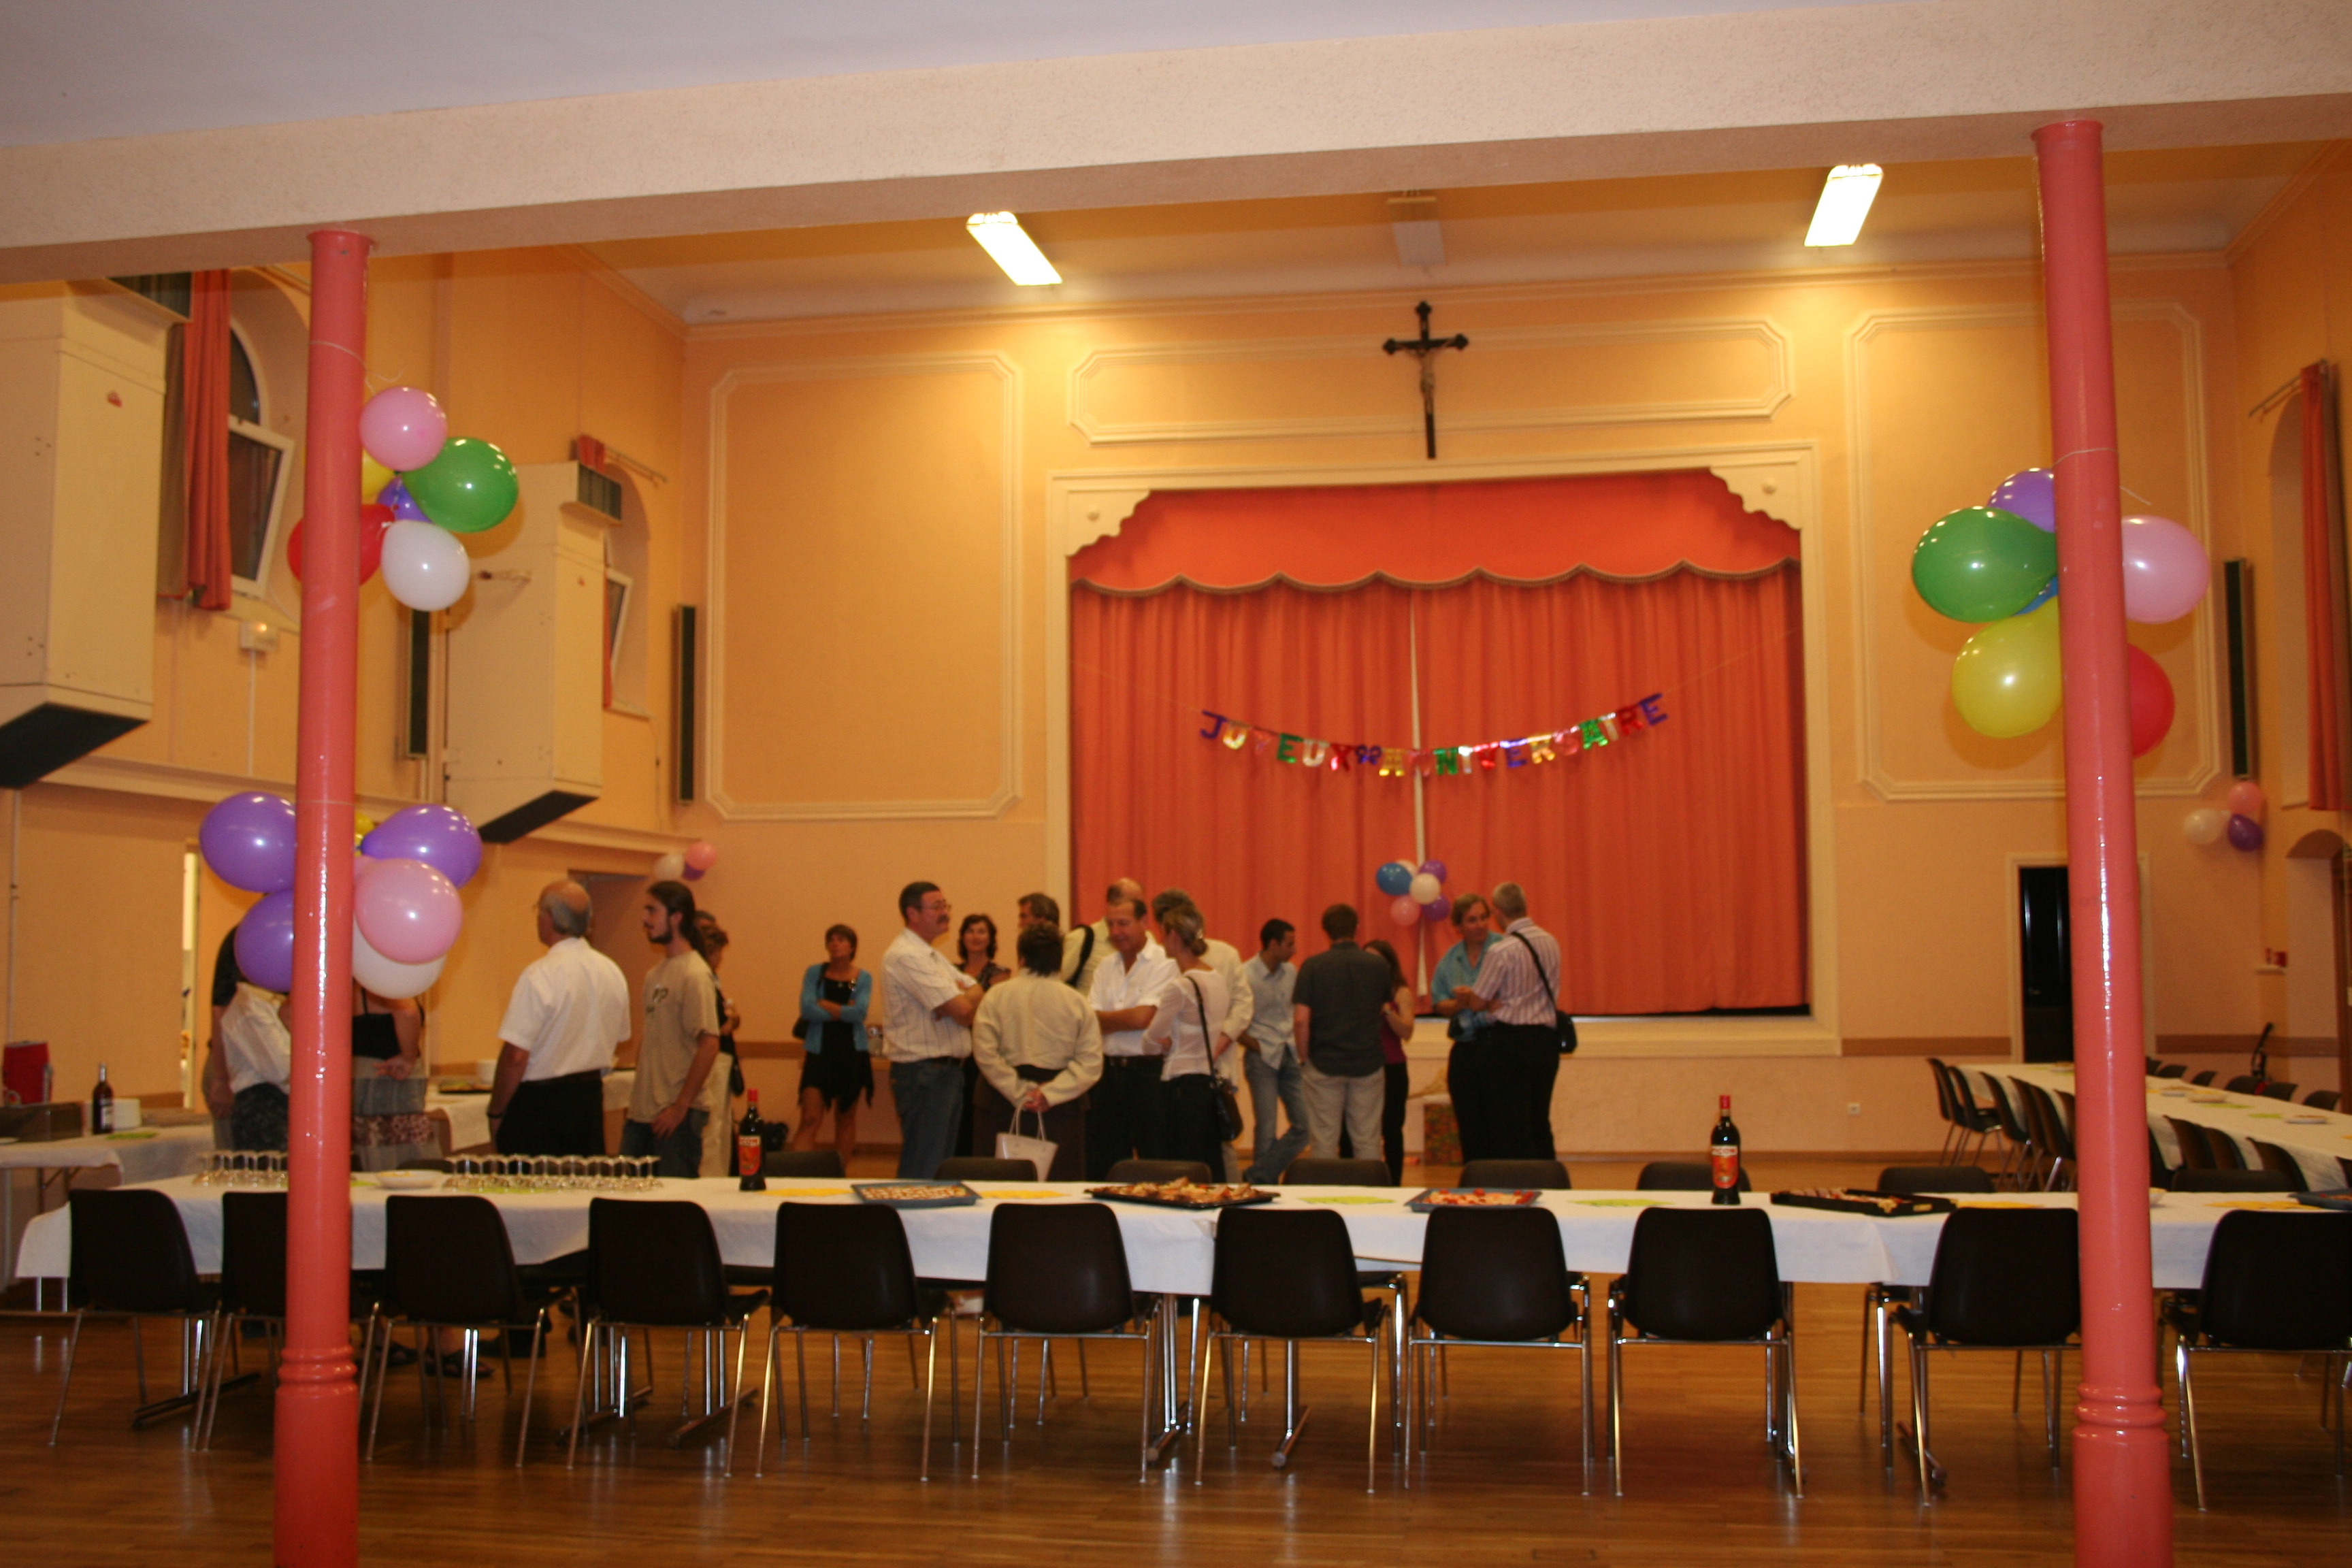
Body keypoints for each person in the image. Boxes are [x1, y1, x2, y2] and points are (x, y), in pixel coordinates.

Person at [488, 881, 632, 1156]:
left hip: (540, 1106)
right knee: (583, 1180)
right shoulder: (611, 971)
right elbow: (618, 1037)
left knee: (535, 1183)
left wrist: (496, 1111)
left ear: (549, 918)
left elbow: (516, 1056)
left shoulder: (540, 974)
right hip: (589, 1102)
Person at [971, 923, 1103, 1179]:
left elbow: (985, 1053)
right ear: (1059, 960)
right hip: (1060, 1108)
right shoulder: (1077, 1002)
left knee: (1000, 1186)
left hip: (1001, 1101)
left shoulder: (996, 996)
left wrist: (1018, 1091)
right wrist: (1049, 1094)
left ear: (1021, 958)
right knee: (1058, 1188)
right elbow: (1090, 1063)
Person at [1449, 881, 1566, 1160]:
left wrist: (1474, 996)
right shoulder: (1550, 942)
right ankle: (1549, 1176)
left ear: (1498, 912)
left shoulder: (1501, 951)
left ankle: (1519, 1179)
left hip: (1512, 1043)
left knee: (1513, 1121)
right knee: (1539, 1117)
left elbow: (1478, 1002)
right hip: (1546, 1041)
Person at [621, 880, 724, 1178]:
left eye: (652, 911)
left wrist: (680, 1107)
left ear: (676, 917)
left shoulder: (695, 974)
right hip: (643, 1111)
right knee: (626, 1194)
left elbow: (709, 1044)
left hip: (675, 1114)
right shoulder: (655, 974)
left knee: (671, 1201)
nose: (645, 919)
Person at [880, 881, 981, 1179]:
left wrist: (956, 1001)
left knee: (940, 1168)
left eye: (945, 906)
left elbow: (976, 989)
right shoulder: (906, 955)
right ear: (912, 913)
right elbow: (965, 1013)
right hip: (924, 1075)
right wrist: (958, 1002)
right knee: (924, 1168)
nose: (945, 912)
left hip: (945, 1074)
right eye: (936, 907)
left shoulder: (931, 956)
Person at [1290, 903, 1391, 1170]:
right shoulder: (1378, 965)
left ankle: (1326, 1192)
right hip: (1368, 1061)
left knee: (1324, 1141)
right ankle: (1371, 1191)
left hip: (1324, 1062)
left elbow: (1301, 1021)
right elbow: (1382, 1008)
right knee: (1368, 1140)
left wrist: (1304, 1059)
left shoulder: (1313, 966)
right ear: (1357, 928)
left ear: (1326, 931)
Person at [1084, 892, 1177, 1177]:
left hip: (1149, 1075)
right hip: (1108, 1074)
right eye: (1110, 925)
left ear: (1144, 922)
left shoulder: (1166, 962)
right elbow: (1088, 1020)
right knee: (1105, 1162)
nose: (1116, 932)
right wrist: (1123, 1019)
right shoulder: (1105, 966)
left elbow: (1143, 1018)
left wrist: (1107, 1019)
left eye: (1123, 924)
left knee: (1155, 1160)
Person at [1142, 904, 1233, 1179]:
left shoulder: (1180, 987)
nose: (1161, 941)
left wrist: (1166, 1044)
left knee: (1178, 1168)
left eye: (1163, 934)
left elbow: (1149, 1041)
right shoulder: (1218, 980)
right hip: (1206, 1083)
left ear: (1173, 935)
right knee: (1207, 1163)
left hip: (1179, 1085)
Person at [1432, 892, 1505, 1165]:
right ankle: (1475, 1176)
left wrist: (1485, 1000)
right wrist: (1458, 1004)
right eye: (1472, 920)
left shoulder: (1504, 949)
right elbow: (1439, 1002)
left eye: (1484, 918)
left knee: (1501, 1122)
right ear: (1459, 927)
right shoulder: (1451, 960)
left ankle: (1504, 1179)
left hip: (1499, 1046)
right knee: (1469, 1121)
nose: (1480, 925)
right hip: (1466, 1049)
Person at [794, 923, 872, 1164]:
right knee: (810, 1117)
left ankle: (840, 1174)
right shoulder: (815, 973)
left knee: (845, 1118)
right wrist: (842, 1010)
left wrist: (825, 1004)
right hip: (820, 1053)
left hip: (851, 1054)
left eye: (841, 940)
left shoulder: (860, 978)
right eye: (831, 940)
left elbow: (859, 1014)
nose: (835, 944)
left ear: (852, 946)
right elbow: (807, 1009)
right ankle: (794, 1174)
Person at [1147, 887, 1254, 1062]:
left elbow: (1243, 1004)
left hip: (1215, 1059)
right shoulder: (1157, 959)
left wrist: (1221, 1042)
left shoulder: (1226, 955)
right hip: (1178, 1059)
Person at [1238, 919, 1305, 1183]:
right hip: (1261, 1056)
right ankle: (1263, 1186)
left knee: (1306, 1125)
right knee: (1266, 1128)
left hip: (1290, 1052)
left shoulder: (1291, 972)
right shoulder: (1245, 974)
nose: (1295, 950)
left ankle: (1256, 1176)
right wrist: (1255, 1045)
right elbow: (1232, 1020)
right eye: (1290, 944)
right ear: (1273, 944)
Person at [350, 982, 434, 1171]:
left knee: (366, 1151)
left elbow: (289, 1013)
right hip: (389, 1080)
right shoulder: (378, 979)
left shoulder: (343, 980)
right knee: (403, 1156)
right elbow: (407, 1012)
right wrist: (408, 1057)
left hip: (357, 1076)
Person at [951, 913, 1011, 1156]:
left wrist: (959, 1008)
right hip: (953, 1049)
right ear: (962, 937)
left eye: (981, 931)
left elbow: (990, 1013)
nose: (975, 937)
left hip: (982, 1050)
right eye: (970, 931)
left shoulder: (999, 973)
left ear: (991, 938)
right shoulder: (951, 971)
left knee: (976, 1110)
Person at [693, 911, 745, 1175]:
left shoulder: (709, 978)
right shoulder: (700, 979)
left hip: (721, 1057)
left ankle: (720, 1176)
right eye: (719, 953)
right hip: (712, 1059)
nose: (721, 959)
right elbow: (708, 1028)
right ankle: (711, 1178)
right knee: (713, 1127)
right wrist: (727, 1024)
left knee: (722, 1126)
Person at [1361, 938, 1417, 1186]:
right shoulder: (1357, 989)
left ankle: (1394, 1183)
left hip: (1392, 1067)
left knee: (1392, 1129)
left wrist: (1386, 1010)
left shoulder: (1400, 992)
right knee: (1361, 1129)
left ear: (1389, 964)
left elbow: (1407, 1031)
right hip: (1363, 1067)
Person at [218, 975, 292, 1152]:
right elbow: (280, 1071)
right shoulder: (250, 1004)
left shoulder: (277, 1000)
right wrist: (291, 1025)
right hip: (264, 1107)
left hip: (291, 1103)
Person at [201, 928, 244, 1147]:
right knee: (234, 1156)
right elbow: (220, 1010)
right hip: (231, 1063)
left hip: (262, 1068)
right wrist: (222, 1078)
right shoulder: (243, 937)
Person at [1072, 877, 1143, 998]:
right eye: (1135, 903)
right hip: (1089, 1009)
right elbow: (1058, 980)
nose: (1141, 910)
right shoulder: (1082, 938)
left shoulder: (1147, 939)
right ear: (1112, 903)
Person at [1017, 892, 1096, 989]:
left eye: (1024, 917)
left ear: (1042, 920)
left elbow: (1057, 979)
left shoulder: (1069, 945)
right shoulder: (1026, 948)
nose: (1020, 924)